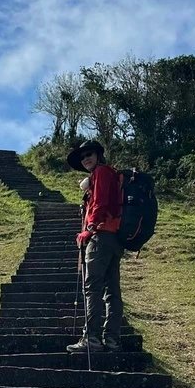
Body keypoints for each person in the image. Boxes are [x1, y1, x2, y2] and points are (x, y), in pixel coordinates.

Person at [66, 139, 124, 355]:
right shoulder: (109, 174)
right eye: (82, 157)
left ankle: (91, 338)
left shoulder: (101, 173)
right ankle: (111, 339)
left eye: (89, 154)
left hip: (100, 237)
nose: (86, 158)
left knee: (93, 288)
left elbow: (99, 204)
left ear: (99, 154)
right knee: (111, 291)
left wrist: (89, 229)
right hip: (115, 237)